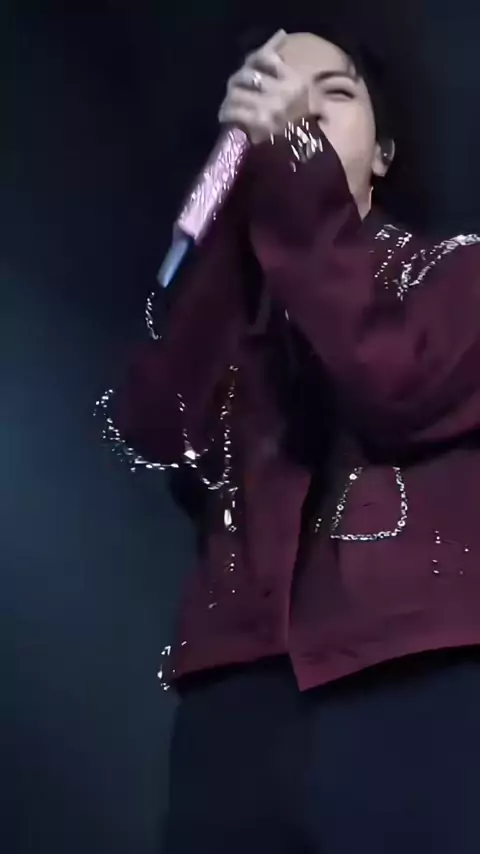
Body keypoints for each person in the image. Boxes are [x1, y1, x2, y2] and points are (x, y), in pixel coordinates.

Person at [110, 26, 480, 854]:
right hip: (234, 700)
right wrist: (229, 230)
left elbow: (394, 379)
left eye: (333, 96)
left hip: (410, 675)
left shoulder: (455, 274)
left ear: (383, 152)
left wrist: (298, 178)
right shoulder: (226, 311)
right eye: (272, 98)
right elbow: (157, 427)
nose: (296, 116)